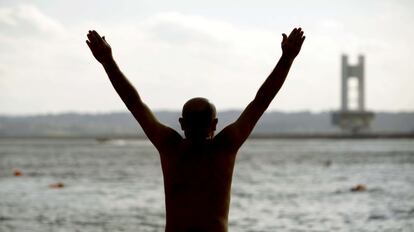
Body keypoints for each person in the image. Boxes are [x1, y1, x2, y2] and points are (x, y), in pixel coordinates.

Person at [86, 27, 305, 232]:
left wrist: (107, 61)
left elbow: (134, 103)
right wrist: (287, 59)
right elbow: (261, 101)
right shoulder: (224, 146)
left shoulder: (170, 146)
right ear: (214, 125)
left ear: (181, 124)